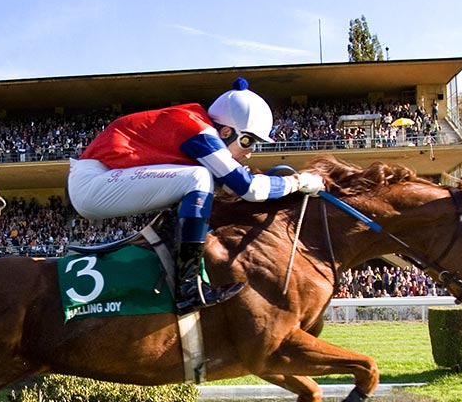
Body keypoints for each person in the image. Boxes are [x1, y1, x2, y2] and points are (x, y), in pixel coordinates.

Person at [67, 78, 323, 314]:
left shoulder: (197, 126)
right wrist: (298, 181)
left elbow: (235, 188)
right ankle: (188, 287)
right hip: (93, 183)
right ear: (225, 132)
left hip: (98, 179)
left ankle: (177, 268)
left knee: (202, 179)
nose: (250, 153)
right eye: (248, 142)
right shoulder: (200, 132)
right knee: (199, 178)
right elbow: (248, 189)